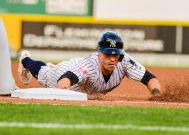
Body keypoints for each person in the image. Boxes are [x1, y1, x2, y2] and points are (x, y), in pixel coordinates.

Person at [18, 31, 161, 97]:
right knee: (44, 73)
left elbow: (149, 78)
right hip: (65, 74)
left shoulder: (124, 62)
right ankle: (25, 60)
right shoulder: (89, 67)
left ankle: (48, 66)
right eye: (107, 54)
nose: (112, 58)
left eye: (115, 54)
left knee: (48, 69)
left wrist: (156, 93)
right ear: (99, 52)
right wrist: (67, 93)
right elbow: (65, 79)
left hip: (76, 75)